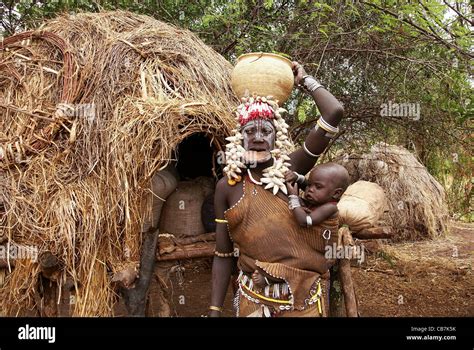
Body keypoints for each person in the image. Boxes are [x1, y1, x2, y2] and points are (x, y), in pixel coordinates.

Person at [209, 61, 345, 317]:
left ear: (276, 137)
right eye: (250, 130)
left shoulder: (290, 169)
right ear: (239, 138)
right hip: (254, 299)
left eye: (266, 131)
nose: (258, 137)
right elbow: (223, 253)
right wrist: (215, 309)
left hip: (301, 303)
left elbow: (334, 112)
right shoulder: (227, 187)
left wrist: (304, 80)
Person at [251, 163, 350, 290]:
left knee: (298, 263)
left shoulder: (330, 208)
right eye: (309, 185)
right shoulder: (318, 198)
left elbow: (304, 221)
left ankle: (271, 277)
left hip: (321, 256)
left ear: (336, 194)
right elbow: (307, 185)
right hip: (309, 247)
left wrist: (293, 197)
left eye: (318, 187)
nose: (310, 189)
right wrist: (297, 178)